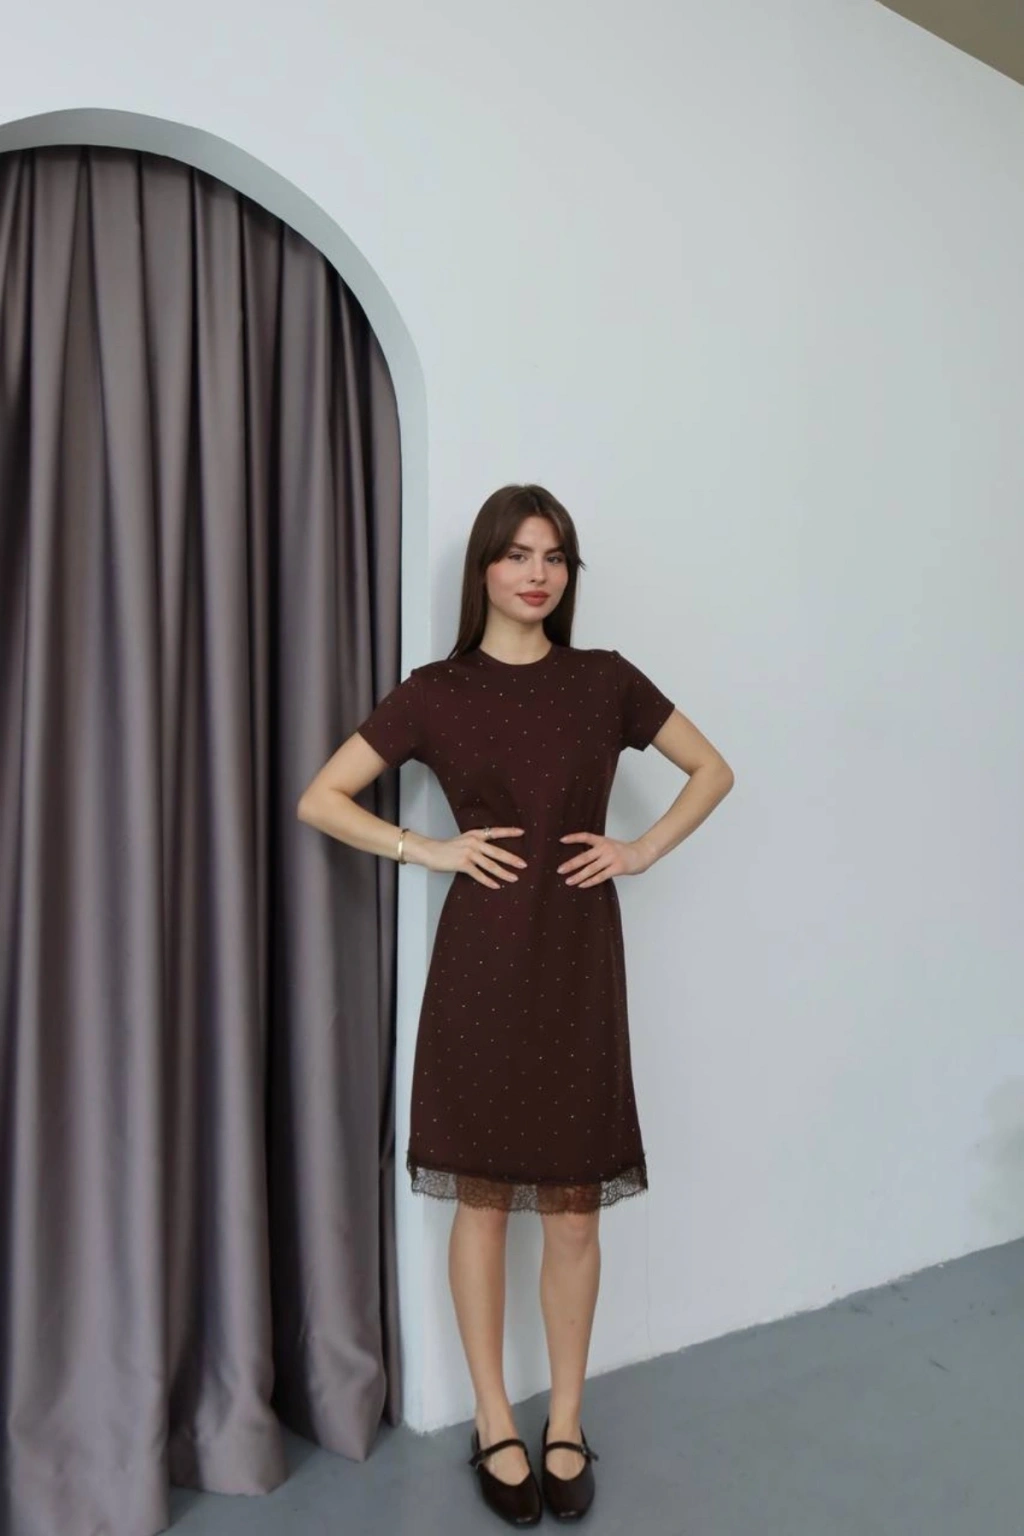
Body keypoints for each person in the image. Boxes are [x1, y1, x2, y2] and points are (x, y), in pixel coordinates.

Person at [297, 483, 734, 1526]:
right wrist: (427, 847)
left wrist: (638, 850)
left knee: (576, 1208)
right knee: (484, 1201)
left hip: (579, 960)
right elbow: (321, 797)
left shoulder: (605, 681)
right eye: (517, 554)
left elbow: (712, 770)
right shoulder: (435, 692)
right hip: (481, 964)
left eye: (555, 557)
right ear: (484, 568)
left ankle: (566, 1420)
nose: (538, 574)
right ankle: (495, 1420)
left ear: (568, 575)